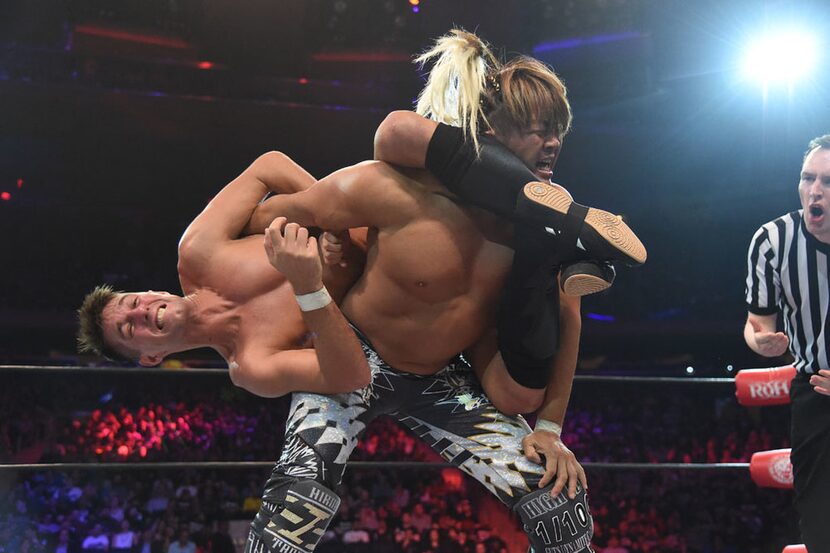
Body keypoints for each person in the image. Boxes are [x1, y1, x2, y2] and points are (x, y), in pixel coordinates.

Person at [369, 29, 645, 414]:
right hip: (381, 340)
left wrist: (550, 428)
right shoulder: (437, 176)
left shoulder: (552, 205)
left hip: (474, 340)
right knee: (402, 129)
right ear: (491, 132)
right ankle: (570, 223)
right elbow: (393, 133)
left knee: (521, 397)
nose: (553, 143)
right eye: (539, 131)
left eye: (558, 132)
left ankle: (550, 237)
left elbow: (570, 321)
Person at [77, 152, 371, 398]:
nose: (140, 312)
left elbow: (268, 167)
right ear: (151, 358)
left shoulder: (197, 252)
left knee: (270, 212)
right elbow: (350, 376)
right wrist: (309, 286)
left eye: (132, 302)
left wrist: (334, 216)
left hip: (366, 223)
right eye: (128, 329)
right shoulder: (252, 366)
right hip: (384, 295)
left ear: (155, 292)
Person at [744, 134, 830, 552]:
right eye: (808, 178)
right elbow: (757, 320)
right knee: (819, 526)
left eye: (828, 181)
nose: (815, 191)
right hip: (814, 393)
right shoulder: (773, 241)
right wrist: (760, 342)